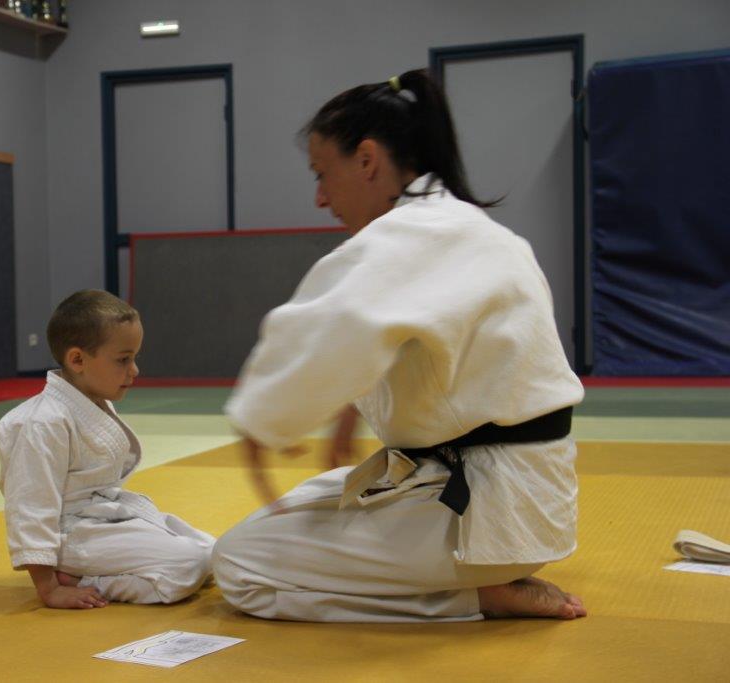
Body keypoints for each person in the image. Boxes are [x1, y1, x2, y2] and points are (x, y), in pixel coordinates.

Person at [212, 69, 588, 622]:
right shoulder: (459, 226)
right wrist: (349, 404)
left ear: (367, 160)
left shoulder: (412, 234)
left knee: (238, 563)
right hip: (509, 497)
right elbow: (401, 337)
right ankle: (476, 579)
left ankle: (474, 596)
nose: (320, 198)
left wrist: (261, 420)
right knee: (304, 506)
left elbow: (333, 320)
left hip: (480, 519)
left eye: (323, 174)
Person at [0, 290, 215, 609]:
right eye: (123, 359)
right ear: (77, 360)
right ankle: (83, 580)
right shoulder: (42, 423)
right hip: (69, 535)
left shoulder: (93, 401)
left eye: (134, 358)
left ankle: (91, 572)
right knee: (187, 565)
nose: (135, 370)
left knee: (213, 553)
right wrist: (48, 588)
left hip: (102, 520)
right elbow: (30, 506)